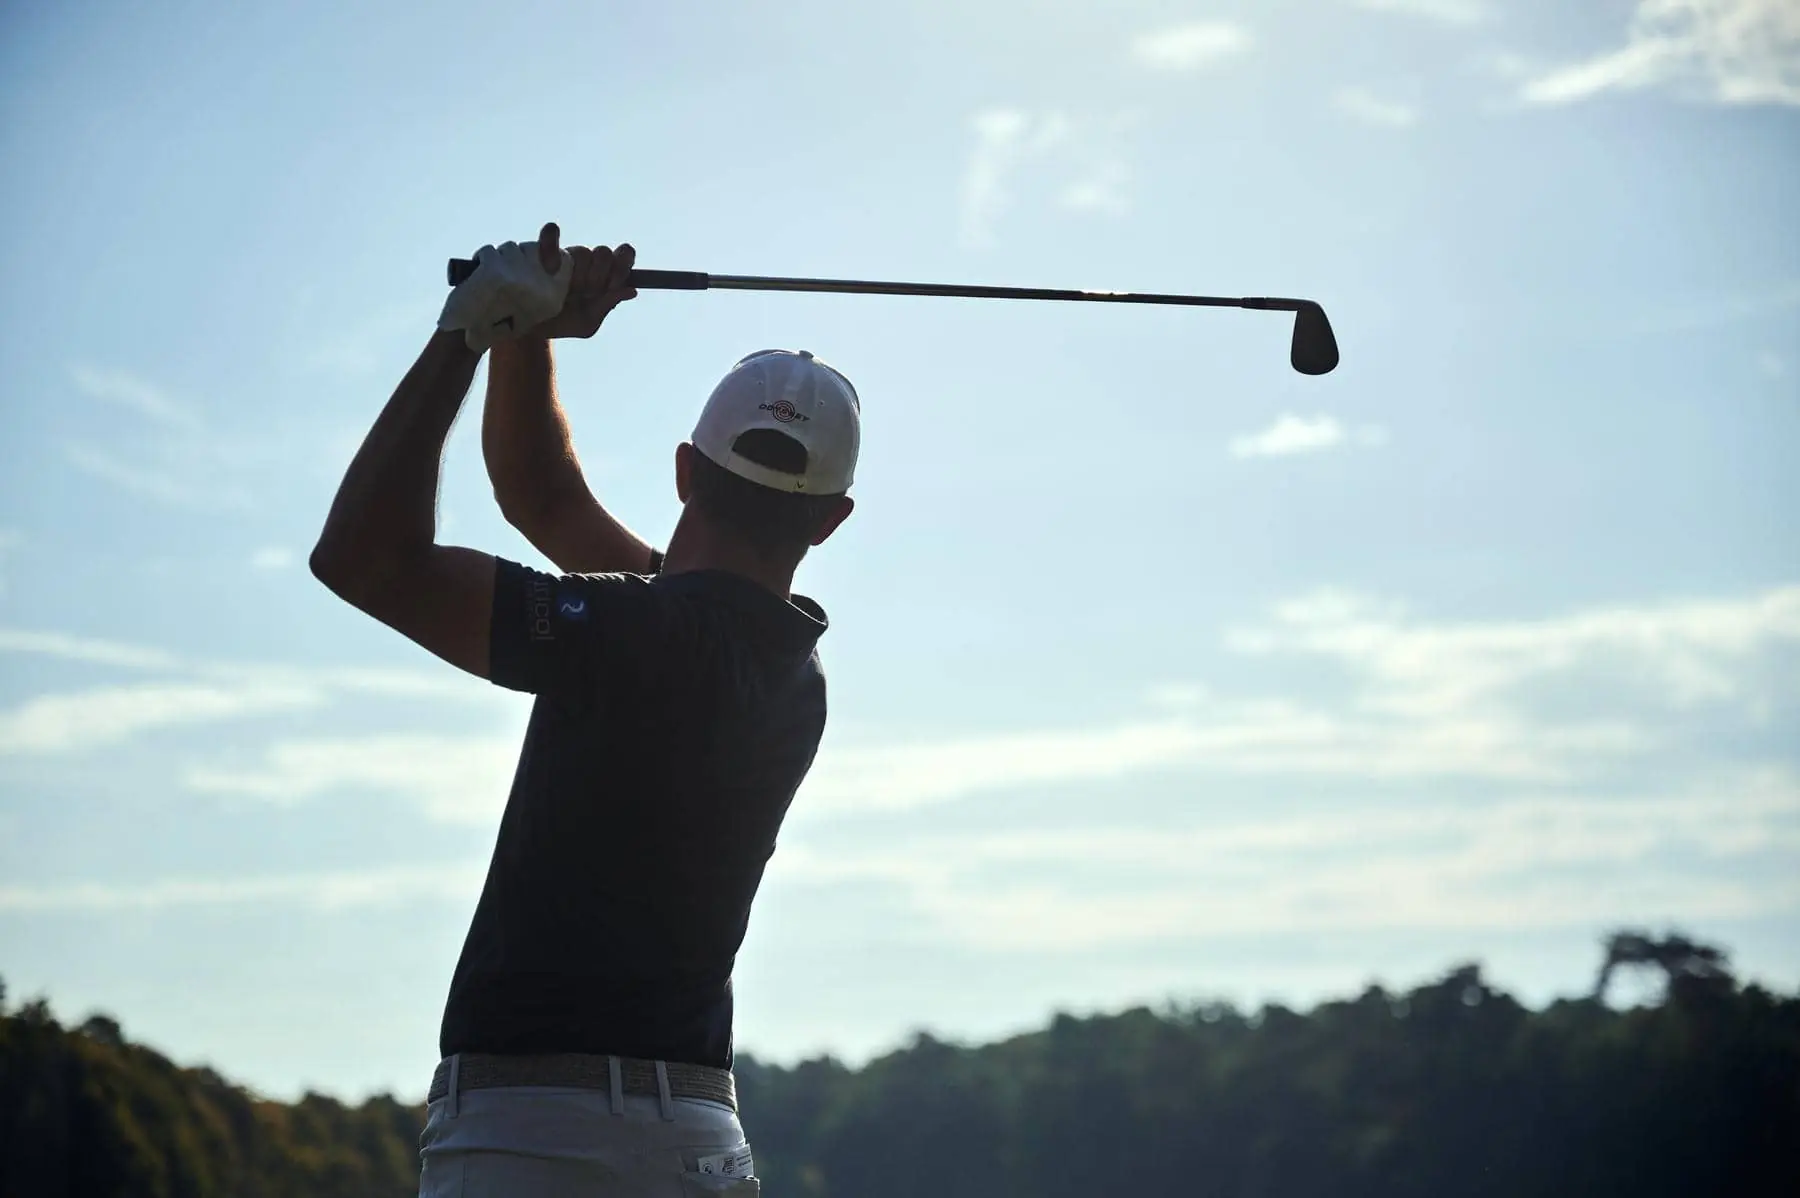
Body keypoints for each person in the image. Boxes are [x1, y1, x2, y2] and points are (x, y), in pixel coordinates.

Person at [309, 222, 860, 1196]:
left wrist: (465, 336)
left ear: (686, 471)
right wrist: (528, 333)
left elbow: (364, 559)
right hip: (699, 1135)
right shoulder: (788, 669)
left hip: (539, 1134)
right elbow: (542, 495)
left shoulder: (631, 630)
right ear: (830, 519)